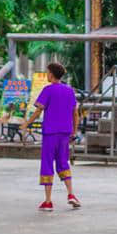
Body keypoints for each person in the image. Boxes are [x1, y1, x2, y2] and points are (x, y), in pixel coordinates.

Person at [20, 63, 80, 211]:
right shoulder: (69, 91)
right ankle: (71, 194)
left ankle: (48, 201)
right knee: (63, 163)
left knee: (47, 163)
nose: (46, 75)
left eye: (47, 73)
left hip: (50, 133)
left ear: (52, 74)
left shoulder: (47, 90)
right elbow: (76, 114)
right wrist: (74, 131)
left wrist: (26, 124)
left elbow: (38, 111)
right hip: (65, 133)